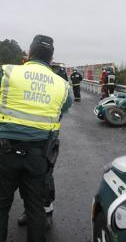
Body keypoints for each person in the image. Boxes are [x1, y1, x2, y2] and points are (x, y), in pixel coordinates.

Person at [0, 35, 72, 242]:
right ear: (51, 58)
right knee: (35, 208)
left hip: (5, 152)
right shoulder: (61, 85)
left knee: (1, 205)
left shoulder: (7, 72)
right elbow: (62, 110)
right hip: (39, 155)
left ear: (28, 54)